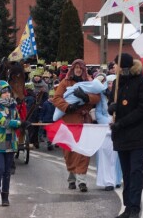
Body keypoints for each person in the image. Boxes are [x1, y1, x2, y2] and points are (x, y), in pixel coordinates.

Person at [108, 53, 143, 218]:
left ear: (123, 66)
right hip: (121, 135)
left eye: (115, 64)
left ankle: (135, 207)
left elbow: (142, 108)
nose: (113, 67)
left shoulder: (141, 82)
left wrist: (122, 122)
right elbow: (112, 101)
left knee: (135, 172)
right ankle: (127, 206)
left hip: (137, 134)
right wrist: (112, 107)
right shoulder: (118, 82)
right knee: (126, 173)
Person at [53, 59, 101, 193]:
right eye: (76, 67)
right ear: (73, 69)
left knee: (83, 151)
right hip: (69, 120)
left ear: (84, 69)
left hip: (84, 120)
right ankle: (72, 177)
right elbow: (57, 98)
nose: (78, 70)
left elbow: (97, 97)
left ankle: (82, 181)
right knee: (69, 150)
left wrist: (86, 98)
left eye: (81, 68)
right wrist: (68, 107)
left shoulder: (90, 82)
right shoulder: (65, 82)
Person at [0, 80, 22, 207]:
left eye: (8, 91)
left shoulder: (13, 107)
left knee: (7, 171)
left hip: (11, 143)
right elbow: (4, 122)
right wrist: (19, 124)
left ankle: (5, 196)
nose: (7, 94)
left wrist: (19, 122)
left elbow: (17, 119)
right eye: (4, 92)